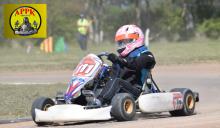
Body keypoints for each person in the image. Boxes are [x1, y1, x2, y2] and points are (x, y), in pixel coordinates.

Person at [94, 24, 156, 106]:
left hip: (136, 91)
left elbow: (135, 64)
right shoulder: (122, 58)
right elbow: (117, 73)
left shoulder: (146, 55)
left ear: (136, 39)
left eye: (125, 41)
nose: (122, 44)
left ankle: (99, 102)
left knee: (117, 81)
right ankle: (79, 101)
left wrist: (119, 60)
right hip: (120, 89)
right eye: (120, 42)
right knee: (97, 79)